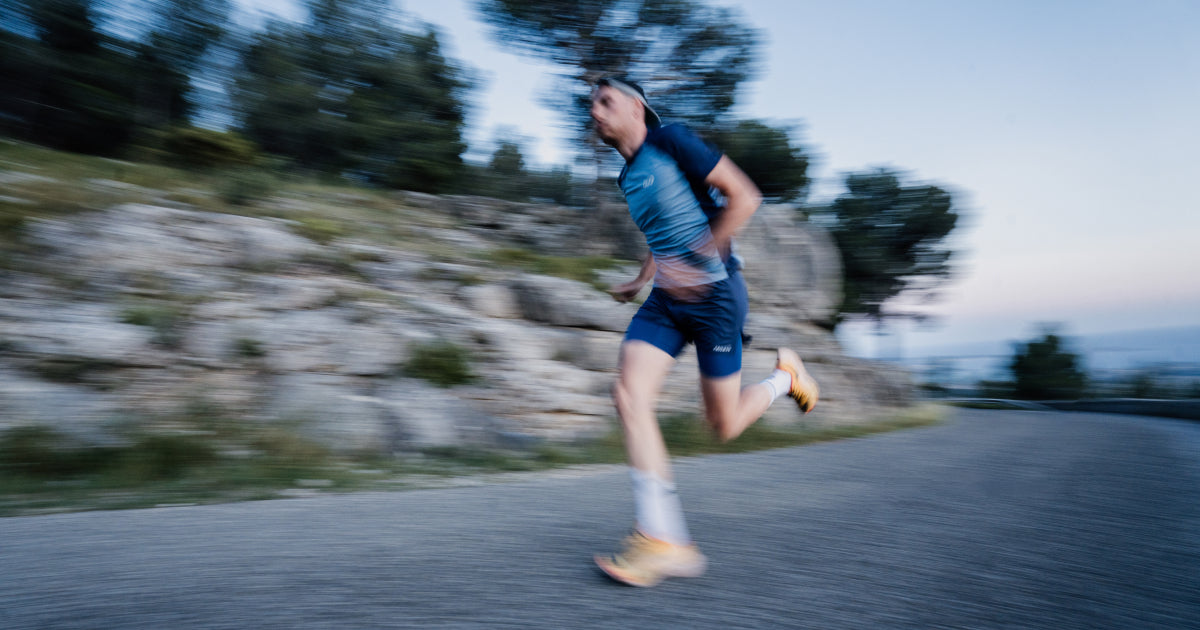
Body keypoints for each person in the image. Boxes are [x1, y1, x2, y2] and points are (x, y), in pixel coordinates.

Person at [590, 77, 820, 587]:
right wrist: (642, 278)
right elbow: (664, 228)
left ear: (636, 107)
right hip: (667, 301)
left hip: (716, 297)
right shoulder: (628, 176)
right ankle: (665, 539)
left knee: (722, 426)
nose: (595, 112)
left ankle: (785, 377)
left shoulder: (671, 141)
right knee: (628, 395)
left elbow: (745, 197)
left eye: (605, 102)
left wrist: (700, 259)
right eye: (592, 105)